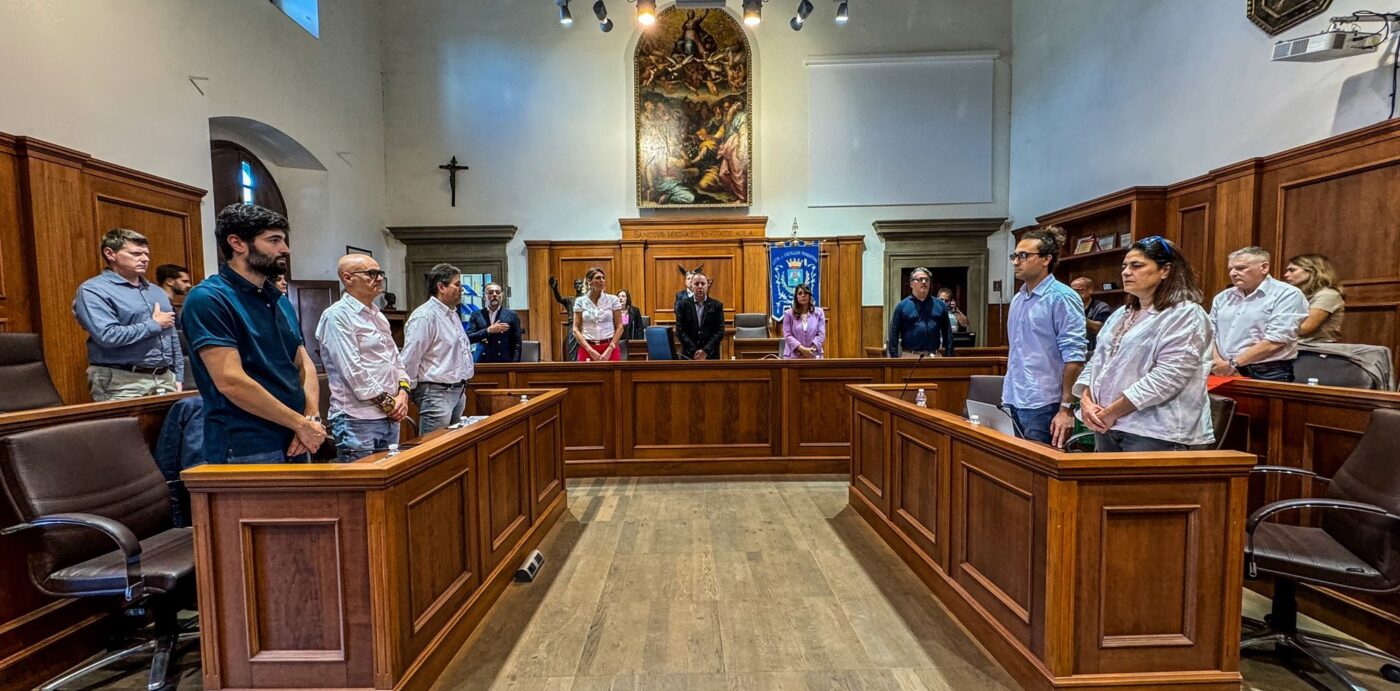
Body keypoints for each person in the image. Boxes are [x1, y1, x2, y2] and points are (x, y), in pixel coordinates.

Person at [182, 204, 325, 463]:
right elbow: (231, 381)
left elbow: (303, 363)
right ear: (237, 243)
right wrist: (300, 423)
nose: (285, 249)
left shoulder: (279, 299)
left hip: (296, 436)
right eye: (274, 240)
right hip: (246, 444)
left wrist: (310, 418)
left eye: (283, 240)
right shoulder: (208, 298)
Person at [1075, 237, 1214, 451]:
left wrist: (1112, 412)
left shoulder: (1185, 314)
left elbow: (1168, 377)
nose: (1126, 272)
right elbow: (1097, 361)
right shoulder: (1122, 313)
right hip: (1104, 422)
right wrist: (1086, 401)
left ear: (1165, 270)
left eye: (1136, 266)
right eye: (1124, 266)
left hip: (1154, 430)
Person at [316, 254, 410, 461]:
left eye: (380, 273)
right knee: (362, 479)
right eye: (371, 273)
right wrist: (390, 404)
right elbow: (353, 371)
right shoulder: (336, 316)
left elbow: (396, 360)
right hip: (357, 419)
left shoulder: (378, 315)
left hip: (390, 414)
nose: (379, 278)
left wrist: (403, 394)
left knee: (390, 476)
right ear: (348, 278)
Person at [72, 228, 183, 401]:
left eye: (146, 254)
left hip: (165, 378)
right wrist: (154, 324)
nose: (145, 259)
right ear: (110, 254)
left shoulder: (157, 292)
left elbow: (172, 335)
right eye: (136, 253)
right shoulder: (93, 290)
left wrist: (178, 375)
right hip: (121, 382)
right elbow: (107, 336)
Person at [1003, 227, 1088, 447]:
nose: (1016, 262)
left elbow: (1075, 357)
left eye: (1024, 256)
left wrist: (1066, 408)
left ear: (1046, 259)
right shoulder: (1018, 299)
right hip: (1013, 396)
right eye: (1015, 256)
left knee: (1038, 466)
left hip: (1045, 402)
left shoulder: (1062, 297)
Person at [1209, 247, 1310, 382]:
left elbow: (1277, 340)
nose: (1233, 273)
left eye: (1240, 268)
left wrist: (1233, 363)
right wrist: (1218, 363)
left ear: (1264, 267)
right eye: (1230, 269)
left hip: (1267, 372)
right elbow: (1209, 333)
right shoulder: (1223, 297)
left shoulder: (1287, 294)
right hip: (1221, 369)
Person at [402, 264, 475, 434]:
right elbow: (410, 357)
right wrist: (406, 390)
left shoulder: (452, 314)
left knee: (454, 443)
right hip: (436, 392)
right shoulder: (425, 316)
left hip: (458, 390)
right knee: (435, 444)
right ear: (441, 287)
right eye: (457, 284)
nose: (462, 289)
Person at [886, 268, 953, 358]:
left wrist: (949, 356)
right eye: (920, 279)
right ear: (911, 284)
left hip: (934, 356)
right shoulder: (902, 306)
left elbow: (947, 333)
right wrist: (894, 359)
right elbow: (893, 334)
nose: (924, 282)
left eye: (927, 279)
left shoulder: (940, 305)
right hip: (910, 356)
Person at [1282, 254, 1345, 344]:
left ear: (1312, 271)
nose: (1286, 275)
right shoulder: (1297, 294)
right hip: (1293, 344)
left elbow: (1304, 328)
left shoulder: (1328, 295)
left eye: (1292, 270)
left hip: (1316, 347)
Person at [572, 267, 623, 362]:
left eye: (603, 278)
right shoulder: (580, 301)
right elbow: (575, 329)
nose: (602, 280)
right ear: (589, 281)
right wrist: (590, 350)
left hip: (610, 347)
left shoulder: (613, 300)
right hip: (587, 347)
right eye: (598, 278)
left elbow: (620, 327)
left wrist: (610, 349)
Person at [467, 282, 522, 363]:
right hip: (482, 360)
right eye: (490, 292)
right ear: (484, 297)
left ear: (502, 296)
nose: (494, 295)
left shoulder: (511, 315)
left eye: (498, 292)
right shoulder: (476, 315)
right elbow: (469, 338)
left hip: (504, 361)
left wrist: (515, 364)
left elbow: (517, 343)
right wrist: (488, 330)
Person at [676, 271, 724, 360]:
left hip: (710, 355)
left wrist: (705, 351)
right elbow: (680, 330)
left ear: (707, 285)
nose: (700, 287)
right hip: (688, 355)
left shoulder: (717, 305)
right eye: (696, 284)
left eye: (703, 283)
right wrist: (694, 351)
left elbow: (720, 331)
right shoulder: (683, 305)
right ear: (691, 285)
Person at [781, 283, 825, 358]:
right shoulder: (788, 314)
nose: (803, 295)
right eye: (800, 293)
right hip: (794, 356)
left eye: (806, 293)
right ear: (796, 297)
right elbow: (787, 335)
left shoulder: (819, 313)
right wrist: (803, 350)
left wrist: (811, 350)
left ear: (809, 295)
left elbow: (821, 334)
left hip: (813, 355)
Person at [1070, 276, 1113, 352]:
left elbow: (1101, 328)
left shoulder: (1102, 307)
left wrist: (1079, 317)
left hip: (1095, 350)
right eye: (1072, 291)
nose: (1075, 294)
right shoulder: (1069, 307)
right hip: (1074, 350)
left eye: (1079, 290)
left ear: (1090, 290)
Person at [549, 275, 584, 361]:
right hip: (572, 326)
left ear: (583, 285)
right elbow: (559, 299)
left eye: (580, 284)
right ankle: (573, 365)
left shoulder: (587, 299)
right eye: (576, 284)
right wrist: (555, 289)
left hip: (584, 326)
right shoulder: (570, 300)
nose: (578, 286)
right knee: (572, 348)